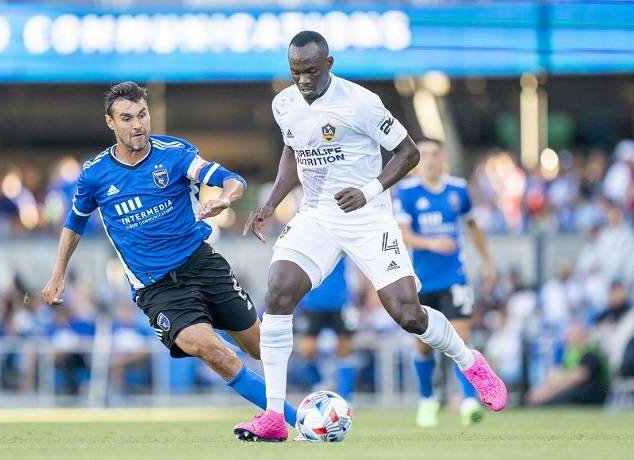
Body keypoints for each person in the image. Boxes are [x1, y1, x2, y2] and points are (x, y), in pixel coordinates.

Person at [235, 31, 506, 442]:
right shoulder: (284, 103)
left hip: (368, 215)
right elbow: (293, 150)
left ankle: (470, 361)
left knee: (408, 314)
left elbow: (408, 152)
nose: (303, 80)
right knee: (277, 292)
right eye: (295, 73)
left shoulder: (360, 103)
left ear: (329, 63)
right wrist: (272, 203)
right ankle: (274, 416)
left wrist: (369, 190)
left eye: (310, 71)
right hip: (318, 215)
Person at [41, 81, 297, 427]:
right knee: (213, 350)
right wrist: (58, 274)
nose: (138, 125)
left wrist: (226, 196)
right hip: (158, 289)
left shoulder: (175, 153)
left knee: (261, 348)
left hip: (202, 265)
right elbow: (74, 224)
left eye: (142, 115)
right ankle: (294, 420)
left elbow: (231, 178)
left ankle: (302, 410)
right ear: (110, 123)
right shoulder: (94, 175)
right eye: (127, 118)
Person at [393, 137, 496, 427]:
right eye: (423, 154)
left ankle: (468, 401)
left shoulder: (458, 190)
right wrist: (433, 243)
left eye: (434, 154)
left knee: (461, 337)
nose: (429, 159)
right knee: (423, 345)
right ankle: (427, 399)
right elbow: (403, 234)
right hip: (421, 280)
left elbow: (473, 227)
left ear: (443, 158)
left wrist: (488, 263)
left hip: (455, 276)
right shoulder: (407, 192)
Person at [294, 258, 356, 402]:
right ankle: (321, 383)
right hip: (312, 301)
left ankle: (346, 397)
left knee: (345, 349)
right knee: (307, 349)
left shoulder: (340, 238)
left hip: (340, 300)